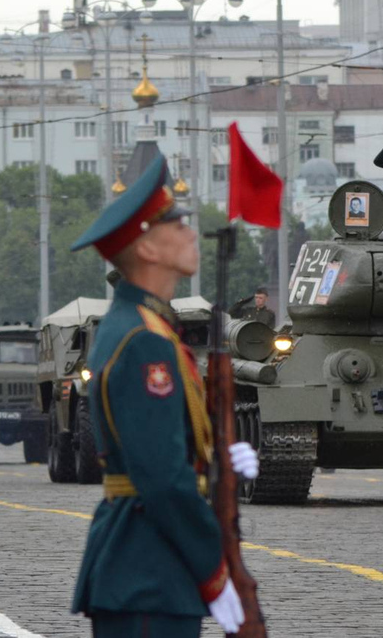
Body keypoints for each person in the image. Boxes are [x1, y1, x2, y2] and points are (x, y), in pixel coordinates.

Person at [69, 156, 260, 638]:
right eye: (178, 224)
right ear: (149, 247)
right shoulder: (145, 340)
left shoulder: (144, 327)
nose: (191, 234)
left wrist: (220, 457)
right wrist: (215, 574)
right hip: (149, 568)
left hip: (146, 565)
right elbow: (163, 478)